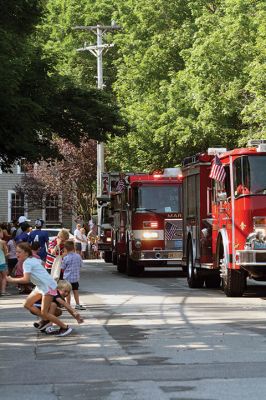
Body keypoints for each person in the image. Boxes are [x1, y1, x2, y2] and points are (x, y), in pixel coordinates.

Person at [6, 242, 73, 337]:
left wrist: (12, 279)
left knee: (44, 312)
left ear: (26, 253)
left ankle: (65, 327)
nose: (17, 254)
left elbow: (26, 279)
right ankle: (46, 320)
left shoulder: (27, 263)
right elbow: (43, 264)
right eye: (16, 252)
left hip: (47, 287)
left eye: (19, 252)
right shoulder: (33, 259)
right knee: (27, 304)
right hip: (42, 286)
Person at [61, 240, 86, 310]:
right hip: (75, 278)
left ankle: (68, 305)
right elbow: (81, 265)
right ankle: (77, 304)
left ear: (65, 249)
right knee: (76, 291)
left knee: (67, 292)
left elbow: (62, 267)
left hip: (67, 278)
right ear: (73, 248)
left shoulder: (65, 258)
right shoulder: (78, 256)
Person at [0, 228, 9, 296]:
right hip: (2, 262)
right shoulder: (2, 242)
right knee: (4, 277)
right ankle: (3, 291)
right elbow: (6, 253)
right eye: (2, 232)